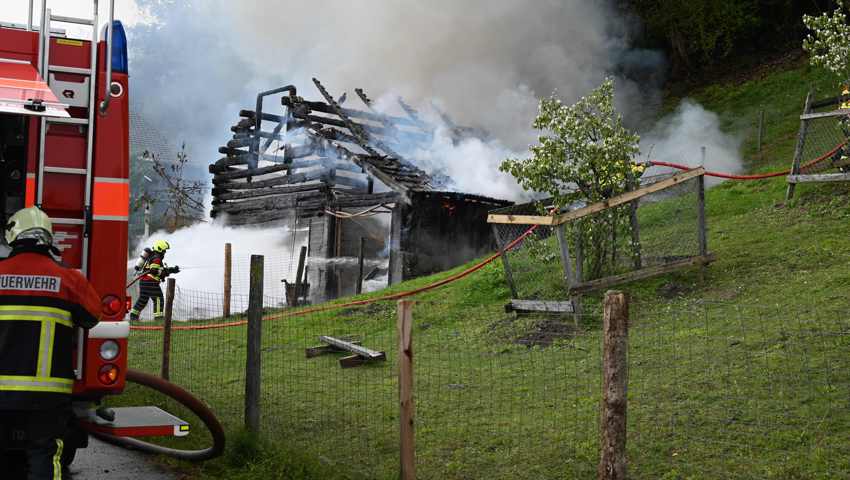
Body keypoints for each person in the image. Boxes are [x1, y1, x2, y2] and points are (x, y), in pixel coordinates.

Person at [0, 207, 101, 479]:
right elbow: (93, 317)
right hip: (46, 398)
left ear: (13, 235)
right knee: (44, 456)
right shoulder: (69, 280)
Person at [129, 240, 179, 321]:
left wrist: (172, 270)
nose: (164, 252)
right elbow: (154, 270)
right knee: (158, 299)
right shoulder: (157, 258)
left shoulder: (151, 256)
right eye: (164, 250)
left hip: (143, 282)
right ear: (159, 249)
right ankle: (158, 318)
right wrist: (165, 272)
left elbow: (159, 269)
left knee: (142, 300)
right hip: (151, 282)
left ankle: (133, 316)